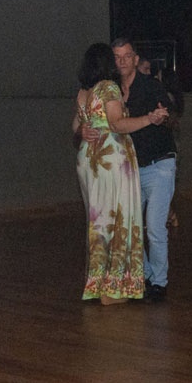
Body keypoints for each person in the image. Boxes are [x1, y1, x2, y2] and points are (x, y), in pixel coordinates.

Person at [72, 43, 156, 304]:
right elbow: (117, 124)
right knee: (117, 219)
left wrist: (83, 131)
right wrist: (148, 119)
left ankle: (96, 285)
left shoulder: (83, 92)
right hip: (110, 160)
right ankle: (112, 289)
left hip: (88, 158)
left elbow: (76, 126)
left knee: (97, 220)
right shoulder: (108, 88)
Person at [113, 37, 181, 303]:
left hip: (160, 164)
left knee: (153, 226)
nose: (122, 61)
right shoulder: (112, 91)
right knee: (130, 228)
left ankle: (159, 283)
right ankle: (150, 276)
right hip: (131, 169)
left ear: (135, 59)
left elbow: (169, 112)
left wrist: (161, 116)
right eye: (117, 57)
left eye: (127, 56)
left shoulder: (151, 86)